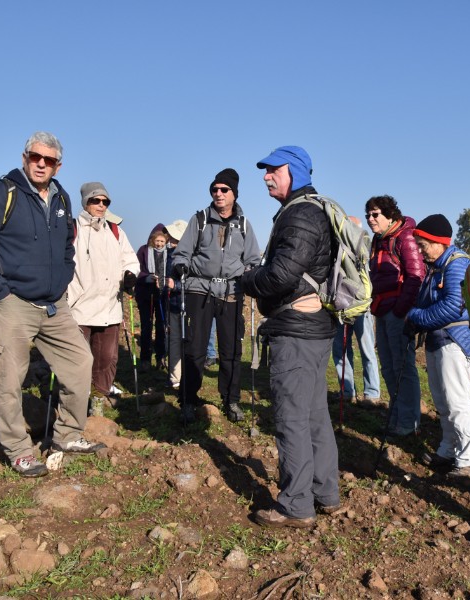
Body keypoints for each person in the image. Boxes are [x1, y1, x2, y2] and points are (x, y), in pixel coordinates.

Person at [0, 131, 106, 478]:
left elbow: (68, 245)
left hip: (55, 303)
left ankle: (68, 435)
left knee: (80, 362)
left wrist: (64, 275)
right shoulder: (2, 194)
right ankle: (19, 451)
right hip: (13, 303)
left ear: (58, 165)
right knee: (10, 380)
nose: (41, 164)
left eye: (49, 160)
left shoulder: (63, 198)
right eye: (35, 157)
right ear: (25, 157)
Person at [243, 145, 340, 528]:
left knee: (291, 419)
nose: (266, 176)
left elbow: (281, 275)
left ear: (295, 172)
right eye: (264, 171)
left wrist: (247, 280)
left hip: (296, 333)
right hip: (314, 330)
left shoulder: (300, 214)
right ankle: (325, 492)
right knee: (315, 415)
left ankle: (296, 506)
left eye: (273, 170)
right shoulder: (313, 211)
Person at [171, 168, 261, 423]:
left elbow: (253, 259)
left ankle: (231, 400)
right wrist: (180, 265)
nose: (218, 193)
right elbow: (182, 252)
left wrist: (251, 275)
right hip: (199, 289)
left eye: (224, 189)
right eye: (215, 189)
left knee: (231, 349)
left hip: (232, 291)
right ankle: (188, 400)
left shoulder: (244, 224)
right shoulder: (199, 219)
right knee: (195, 348)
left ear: (234, 193)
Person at [405, 214, 470, 480]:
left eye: (423, 243)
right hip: (438, 341)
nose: (420, 248)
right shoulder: (437, 266)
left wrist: (415, 318)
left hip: (454, 342)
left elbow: (452, 306)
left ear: (438, 242)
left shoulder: (457, 265)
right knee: (442, 400)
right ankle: (448, 450)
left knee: (457, 402)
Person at [67, 182, 139, 414]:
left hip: (110, 307)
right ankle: (73, 403)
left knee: (107, 358)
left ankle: (97, 401)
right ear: (85, 203)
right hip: (78, 306)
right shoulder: (72, 229)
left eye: (105, 201)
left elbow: (130, 259)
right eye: (95, 200)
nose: (100, 205)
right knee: (78, 359)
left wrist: (130, 275)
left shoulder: (116, 231)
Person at [365, 195, 426, 435]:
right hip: (382, 308)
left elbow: (416, 275)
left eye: (375, 214)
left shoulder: (405, 237)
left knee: (403, 367)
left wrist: (401, 309)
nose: (370, 219)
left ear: (390, 215)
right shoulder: (379, 239)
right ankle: (397, 415)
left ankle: (408, 422)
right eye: (368, 214)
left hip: (397, 311)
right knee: (389, 367)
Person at [331, 215, 381, 406]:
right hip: (341, 304)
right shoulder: (337, 246)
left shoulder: (367, 246)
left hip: (362, 306)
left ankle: (372, 393)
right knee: (340, 350)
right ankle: (347, 391)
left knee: (367, 349)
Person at [135, 225, 169, 369]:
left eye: (162, 241)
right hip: (146, 294)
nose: (159, 244)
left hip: (163, 294)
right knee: (146, 327)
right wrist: (147, 277)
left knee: (162, 327)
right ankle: (145, 359)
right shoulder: (143, 250)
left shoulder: (170, 253)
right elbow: (137, 269)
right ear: (152, 240)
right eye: (157, 241)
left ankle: (161, 357)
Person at [162, 219, 188, 390]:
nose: (170, 239)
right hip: (172, 305)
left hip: (187, 308)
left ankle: (188, 377)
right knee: (174, 341)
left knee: (188, 343)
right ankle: (175, 378)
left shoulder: (191, 255)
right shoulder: (169, 254)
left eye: (173, 236)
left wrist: (175, 286)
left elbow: (193, 282)